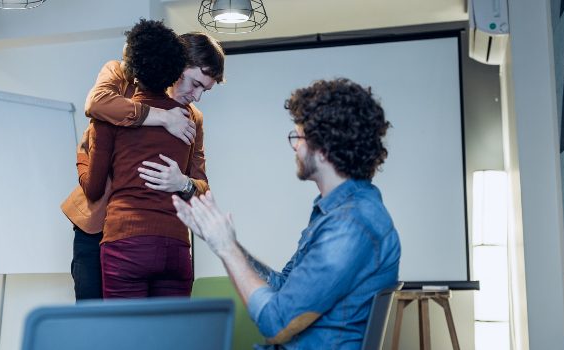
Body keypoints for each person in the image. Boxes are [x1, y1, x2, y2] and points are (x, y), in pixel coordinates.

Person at [173, 78, 402, 349]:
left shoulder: (349, 224)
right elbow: (283, 286)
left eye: (299, 137)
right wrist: (224, 242)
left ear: (324, 150)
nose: (295, 146)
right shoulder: (337, 212)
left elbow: (276, 323)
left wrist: (227, 250)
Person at [62, 28, 225, 300]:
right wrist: (161, 116)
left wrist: (182, 183)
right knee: (93, 321)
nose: (196, 96)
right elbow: (96, 103)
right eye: (195, 84)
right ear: (179, 64)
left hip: (152, 236)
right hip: (96, 223)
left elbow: (203, 188)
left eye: (204, 90)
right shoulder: (120, 75)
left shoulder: (193, 118)